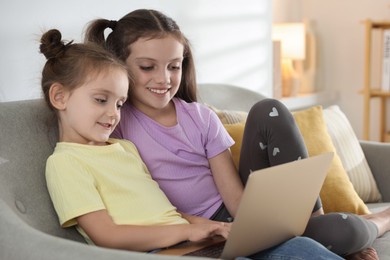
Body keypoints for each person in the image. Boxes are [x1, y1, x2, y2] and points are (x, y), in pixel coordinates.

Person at [84, 9, 388, 259]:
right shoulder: (115, 122)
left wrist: (254, 227)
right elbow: (75, 98)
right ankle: (373, 223)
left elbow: (237, 203)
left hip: (235, 218)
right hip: (191, 232)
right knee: (346, 231)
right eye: (148, 67)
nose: (163, 79)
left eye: (174, 67)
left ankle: (333, 222)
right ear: (120, 65)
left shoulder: (200, 117)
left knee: (270, 110)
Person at [39, 28, 342, 259]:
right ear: (59, 97)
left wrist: (215, 229)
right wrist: (190, 231)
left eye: (119, 104)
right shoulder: (65, 163)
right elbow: (107, 235)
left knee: (298, 247)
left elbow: (166, 210)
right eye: (101, 100)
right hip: (167, 251)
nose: (113, 114)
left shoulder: (123, 148)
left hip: (194, 242)